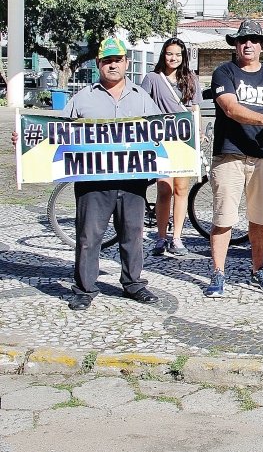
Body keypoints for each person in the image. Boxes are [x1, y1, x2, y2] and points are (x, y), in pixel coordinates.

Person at [60, 37, 162, 310]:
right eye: (107, 61)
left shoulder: (142, 97)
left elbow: (161, 133)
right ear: (98, 64)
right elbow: (56, 132)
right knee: (88, 236)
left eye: (117, 60)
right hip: (92, 183)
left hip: (132, 182)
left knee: (133, 234)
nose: (113, 65)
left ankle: (133, 283)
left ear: (126, 63)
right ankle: (84, 289)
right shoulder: (82, 98)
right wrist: (25, 139)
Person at [205, 20, 263, 298]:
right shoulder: (224, 72)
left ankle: (258, 269)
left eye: (254, 40)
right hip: (229, 154)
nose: (248, 44)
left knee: (260, 219)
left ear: (262, 46)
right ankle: (218, 272)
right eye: (242, 40)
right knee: (224, 218)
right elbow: (230, 108)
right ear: (236, 45)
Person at [139, 37, 202, 257]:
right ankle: (161, 236)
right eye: (169, 53)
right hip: (161, 141)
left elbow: (195, 109)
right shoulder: (152, 78)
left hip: (184, 141)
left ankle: (177, 237)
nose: (173, 58)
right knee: (164, 189)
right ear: (163, 55)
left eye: (177, 54)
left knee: (181, 189)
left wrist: (199, 133)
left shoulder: (191, 79)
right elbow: (142, 106)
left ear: (183, 57)